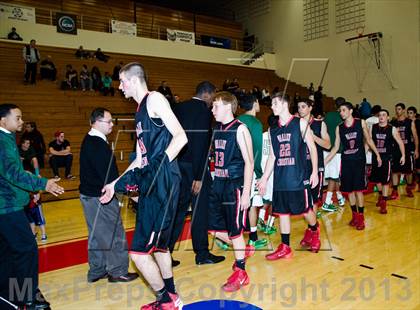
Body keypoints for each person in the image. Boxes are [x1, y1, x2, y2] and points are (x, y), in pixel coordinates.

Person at [100, 62, 187, 309]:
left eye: (122, 81)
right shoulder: (140, 111)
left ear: (134, 80)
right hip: (152, 181)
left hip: (163, 181)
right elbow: (140, 159)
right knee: (159, 247)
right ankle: (172, 297)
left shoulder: (155, 99)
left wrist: (158, 167)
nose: (119, 86)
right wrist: (114, 183)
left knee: (138, 252)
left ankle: (165, 301)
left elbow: (181, 137)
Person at [0, 103, 64, 309]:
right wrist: (43, 183)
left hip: (7, 205)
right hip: (6, 207)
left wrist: (32, 187)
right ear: (3, 120)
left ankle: (9, 293)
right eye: (17, 118)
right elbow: (12, 174)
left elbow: (15, 172)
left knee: (8, 251)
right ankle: (28, 297)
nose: (21, 122)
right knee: (27, 249)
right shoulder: (2, 142)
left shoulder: (8, 139)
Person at [257, 92, 321, 260]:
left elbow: (312, 148)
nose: (271, 107)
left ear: (284, 104)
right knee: (283, 213)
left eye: (274, 104)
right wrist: (264, 178)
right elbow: (272, 156)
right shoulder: (273, 129)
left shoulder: (300, 123)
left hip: (299, 177)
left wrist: (314, 171)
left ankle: (315, 231)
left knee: (306, 210)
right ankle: (285, 246)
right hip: (281, 178)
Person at [79, 108, 138, 283]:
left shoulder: (90, 140)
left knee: (97, 234)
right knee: (114, 233)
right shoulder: (97, 145)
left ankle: (97, 270)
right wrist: (131, 193)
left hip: (89, 196)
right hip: (100, 197)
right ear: (96, 122)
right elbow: (109, 177)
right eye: (109, 121)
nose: (112, 124)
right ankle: (118, 271)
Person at [169, 81, 225, 266]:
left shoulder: (179, 107)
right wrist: (199, 176)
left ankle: (165, 253)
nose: (212, 103)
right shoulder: (202, 110)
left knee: (178, 211)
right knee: (200, 212)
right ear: (207, 94)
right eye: (213, 96)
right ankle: (202, 254)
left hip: (178, 165)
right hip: (195, 167)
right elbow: (201, 144)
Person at [207, 91, 254, 292]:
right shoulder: (217, 129)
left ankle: (241, 271)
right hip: (218, 183)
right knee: (212, 227)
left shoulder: (240, 129)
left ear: (228, 106)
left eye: (216, 106)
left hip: (234, 186)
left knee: (235, 232)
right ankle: (243, 249)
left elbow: (250, 163)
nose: (212, 109)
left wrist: (245, 194)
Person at [326, 102, 382, 230]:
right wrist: (325, 160)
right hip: (346, 161)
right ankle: (354, 215)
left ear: (351, 111)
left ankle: (361, 217)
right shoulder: (339, 127)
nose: (341, 112)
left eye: (344, 110)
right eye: (340, 110)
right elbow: (335, 147)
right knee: (349, 190)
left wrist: (377, 154)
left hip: (358, 161)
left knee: (358, 190)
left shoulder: (360, 123)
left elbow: (369, 139)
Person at [237, 94, 268, 249]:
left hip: (236, 168)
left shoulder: (237, 120)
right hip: (250, 169)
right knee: (253, 204)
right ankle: (252, 239)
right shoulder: (255, 123)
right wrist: (259, 172)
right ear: (255, 103)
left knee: (238, 204)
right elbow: (255, 151)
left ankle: (227, 236)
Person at [298, 98, 331, 217]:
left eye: (303, 106)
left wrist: (313, 137)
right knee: (304, 200)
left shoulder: (319, 124)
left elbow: (328, 145)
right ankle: (311, 225)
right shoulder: (296, 124)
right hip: (301, 165)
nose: (300, 109)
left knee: (315, 199)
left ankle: (313, 230)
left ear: (310, 108)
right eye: (299, 107)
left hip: (316, 166)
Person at [370, 109, 405, 214]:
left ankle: (384, 203)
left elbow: (400, 142)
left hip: (386, 158)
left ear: (388, 117)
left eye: (384, 115)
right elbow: (368, 141)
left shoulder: (392, 129)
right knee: (377, 180)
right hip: (375, 157)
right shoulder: (373, 127)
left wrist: (403, 155)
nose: (381, 117)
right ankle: (381, 195)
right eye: (380, 115)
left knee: (385, 181)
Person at [389, 103, 419, 198]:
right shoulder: (393, 123)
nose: (397, 111)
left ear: (403, 110)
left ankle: (409, 188)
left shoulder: (410, 122)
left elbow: (415, 137)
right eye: (396, 109)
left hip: (408, 149)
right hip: (396, 150)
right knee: (395, 171)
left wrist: (416, 150)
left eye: (399, 109)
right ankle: (394, 191)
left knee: (408, 171)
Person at [322, 97, 346, 212]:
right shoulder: (343, 117)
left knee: (334, 176)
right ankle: (327, 202)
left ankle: (340, 198)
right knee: (334, 177)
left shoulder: (328, 115)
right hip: (337, 150)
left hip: (326, 148)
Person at [407, 106, 420, 191]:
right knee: (412, 168)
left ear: (415, 114)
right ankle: (412, 185)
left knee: (418, 167)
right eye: (408, 113)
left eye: (411, 113)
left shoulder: (418, 122)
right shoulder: (406, 123)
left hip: (418, 146)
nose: (409, 115)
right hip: (410, 147)